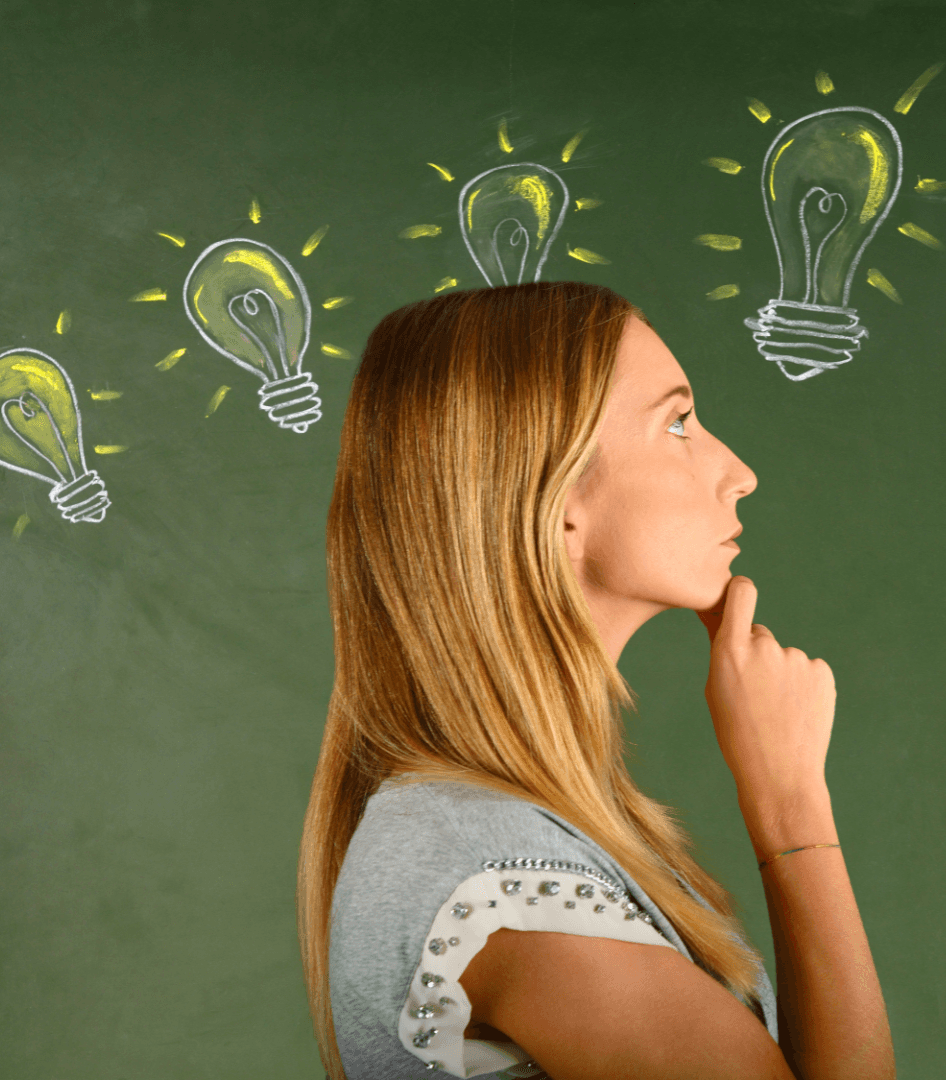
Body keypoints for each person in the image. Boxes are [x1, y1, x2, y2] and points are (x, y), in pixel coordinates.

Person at [297, 282, 893, 1080]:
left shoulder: (498, 833)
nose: (739, 472)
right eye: (678, 423)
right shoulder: (500, 881)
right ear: (557, 499)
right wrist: (791, 804)